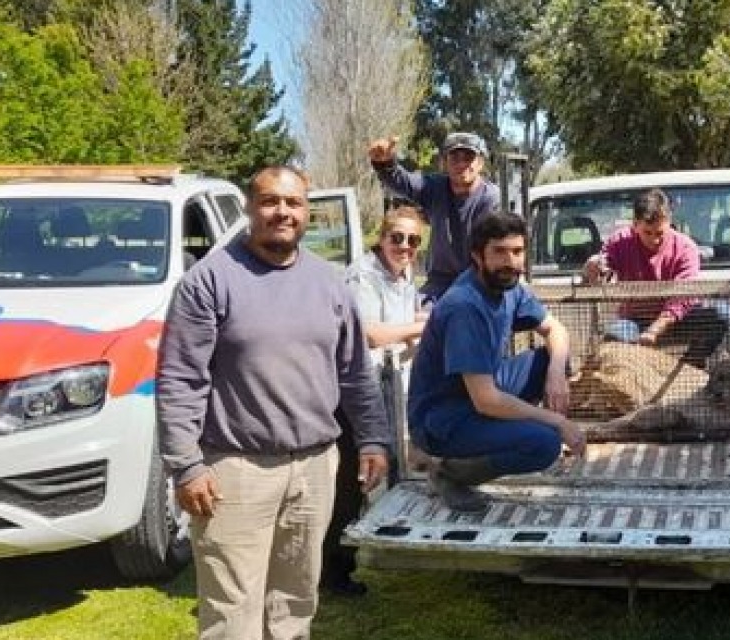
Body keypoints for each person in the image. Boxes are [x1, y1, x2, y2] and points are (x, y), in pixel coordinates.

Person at [158, 166, 391, 639]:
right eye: (269, 201)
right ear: (249, 208)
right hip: (234, 472)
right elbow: (180, 379)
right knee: (233, 615)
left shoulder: (330, 284)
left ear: (307, 211)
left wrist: (373, 439)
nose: (281, 212)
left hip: (315, 468)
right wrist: (186, 465)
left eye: (293, 203)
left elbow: (355, 373)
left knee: (295, 605)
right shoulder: (208, 282)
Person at [407, 211, 586, 513]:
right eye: (499, 252)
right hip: (443, 417)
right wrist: (556, 421)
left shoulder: (510, 287)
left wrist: (555, 374)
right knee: (543, 444)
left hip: (481, 387)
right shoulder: (464, 306)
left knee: (553, 359)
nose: (510, 262)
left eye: (517, 251)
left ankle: (509, 430)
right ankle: (449, 473)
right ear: (478, 256)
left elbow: (556, 329)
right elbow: (486, 400)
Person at [321, 204, 428, 597]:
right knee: (350, 482)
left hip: (383, 389)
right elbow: (368, 334)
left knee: (371, 477)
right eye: (396, 237)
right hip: (352, 391)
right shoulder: (362, 275)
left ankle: (353, 556)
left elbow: (403, 324)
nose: (404, 246)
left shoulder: (404, 274)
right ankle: (332, 574)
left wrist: (418, 322)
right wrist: (420, 325)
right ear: (381, 237)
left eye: (412, 240)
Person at [581, 188, 728, 368]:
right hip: (635, 320)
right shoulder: (619, 241)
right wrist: (594, 268)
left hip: (680, 320)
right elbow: (603, 267)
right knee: (615, 337)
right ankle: (634, 376)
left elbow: (683, 297)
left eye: (660, 233)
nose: (654, 240)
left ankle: (690, 366)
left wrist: (656, 329)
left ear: (669, 222)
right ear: (635, 225)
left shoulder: (685, 248)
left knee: (721, 313)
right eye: (647, 233)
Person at [368, 131, 500, 300]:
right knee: (414, 315)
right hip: (438, 284)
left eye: (468, 157)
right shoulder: (435, 187)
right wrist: (385, 164)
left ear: (480, 163)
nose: (461, 164)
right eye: (454, 158)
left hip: (478, 282)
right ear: (444, 163)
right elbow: (403, 182)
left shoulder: (490, 198)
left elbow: (493, 250)